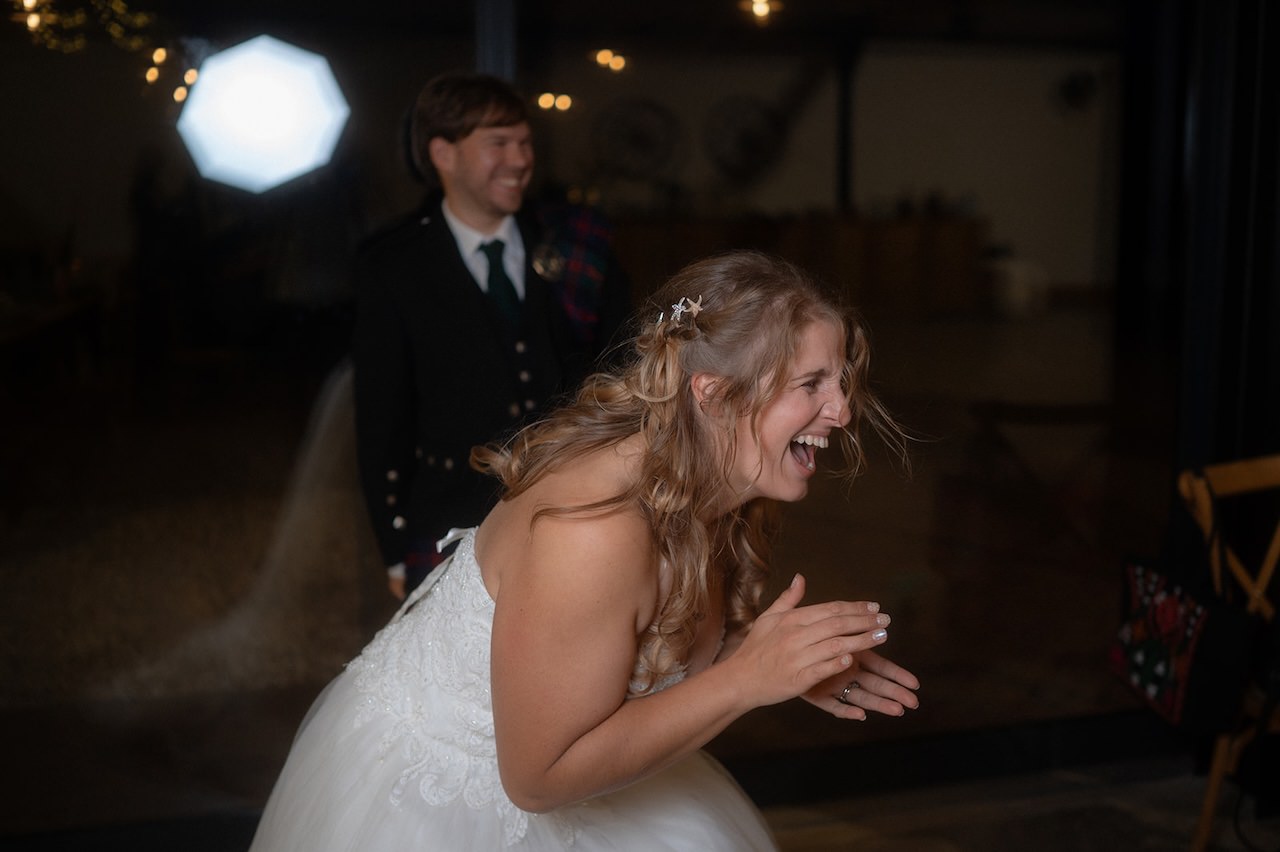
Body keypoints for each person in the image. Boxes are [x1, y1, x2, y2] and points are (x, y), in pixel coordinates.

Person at [252, 251, 920, 851]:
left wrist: (783, 662)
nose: (842, 410)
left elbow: (644, 654)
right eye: (812, 384)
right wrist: (748, 681)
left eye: (839, 381)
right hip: (445, 807)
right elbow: (538, 781)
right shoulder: (594, 529)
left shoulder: (704, 480)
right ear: (713, 396)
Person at [353, 71, 630, 601]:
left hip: (569, 504)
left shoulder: (573, 240)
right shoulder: (393, 264)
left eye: (525, 143)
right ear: (444, 154)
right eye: (498, 143)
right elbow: (381, 416)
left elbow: (623, 368)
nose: (521, 160)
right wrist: (392, 542)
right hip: (448, 516)